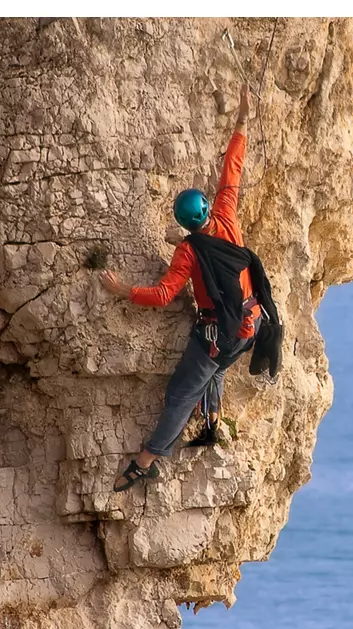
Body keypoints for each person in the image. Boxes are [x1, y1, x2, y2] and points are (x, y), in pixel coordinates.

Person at [101, 84, 274, 492]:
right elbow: (232, 168)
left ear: (183, 225)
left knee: (181, 393)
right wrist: (242, 117)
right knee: (218, 366)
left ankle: (145, 462)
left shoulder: (188, 252)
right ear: (208, 209)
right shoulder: (227, 217)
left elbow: (164, 295)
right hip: (252, 322)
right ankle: (212, 421)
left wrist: (123, 289)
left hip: (221, 335)